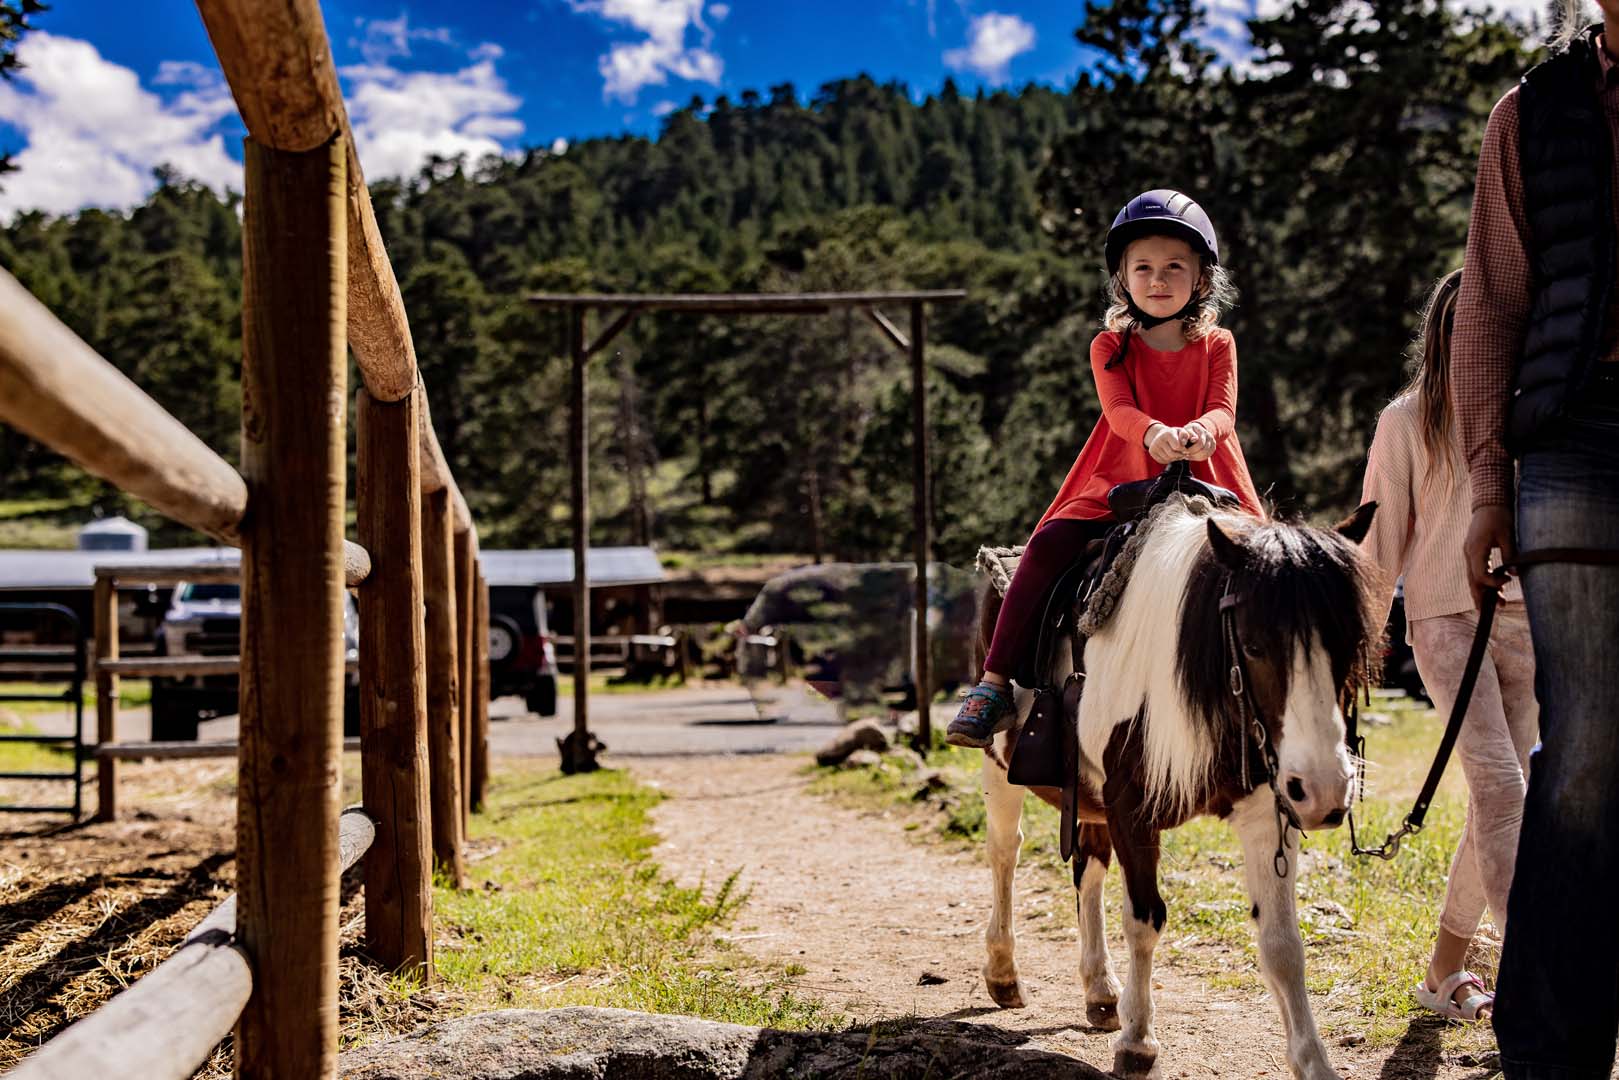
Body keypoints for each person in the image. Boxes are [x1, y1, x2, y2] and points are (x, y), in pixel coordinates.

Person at [1452, 7, 1619, 1075]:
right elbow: (1491, 303)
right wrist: (1480, 492)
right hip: (1574, 445)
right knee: (1587, 755)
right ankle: (1551, 1056)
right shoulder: (1530, 111)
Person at [947, 189, 1263, 748]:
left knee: (1273, 566)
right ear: (1122, 279)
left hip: (1208, 476)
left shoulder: (1218, 343)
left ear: (1201, 280)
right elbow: (1118, 411)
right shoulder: (1110, 345)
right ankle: (994, 684)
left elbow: (1223, 408)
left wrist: (1198, 433)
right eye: (1143, 267)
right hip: (1122, 477)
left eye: (1174, 268)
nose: (1158, 279)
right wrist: (1155, 433)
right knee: (1047, 547)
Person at [1359, 269, 1537, 1023]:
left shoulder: (1540, 413)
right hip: (1443, 620)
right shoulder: (1406, 421)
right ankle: (1532, 987)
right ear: (1443, 333)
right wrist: (1353, 657)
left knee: (1498, 800)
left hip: (1532, 622)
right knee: (1502, 790)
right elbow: (1377, 540)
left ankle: (1441, 976)